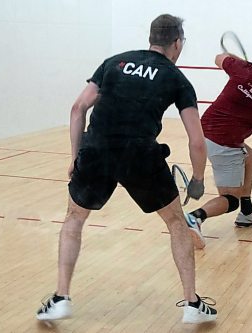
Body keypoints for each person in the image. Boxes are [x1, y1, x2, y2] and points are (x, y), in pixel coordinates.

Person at [36, 14, 217, 324]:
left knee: (75, 217)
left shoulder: (114, 63)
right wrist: (198, 179)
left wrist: (75, 156)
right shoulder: (176, 78)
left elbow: (78, 108)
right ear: (177, 43)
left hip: (97, 150)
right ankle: (191, 304)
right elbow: (197, 141)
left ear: (150, 38)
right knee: (176, 222)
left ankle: (60, 298)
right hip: (139, 154)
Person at [185, 48, 252, 249]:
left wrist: (245, 66)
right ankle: (194, 218)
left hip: (201, 133)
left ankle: (247, 212)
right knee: (229, 200)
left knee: (249, 156)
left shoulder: (244, 71)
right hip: (224, 145)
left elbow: (218, 57)